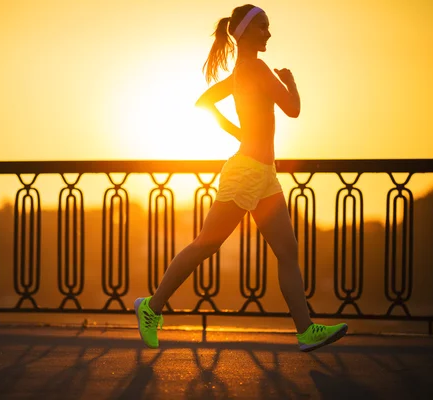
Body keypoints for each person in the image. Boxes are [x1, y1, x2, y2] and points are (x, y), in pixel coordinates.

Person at [134, 4, 347, 352]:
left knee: (287, 252)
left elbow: (204, 101)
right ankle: (151, 307)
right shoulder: (258, 68)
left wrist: (238, 131)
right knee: (206, 244)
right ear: (244, 32)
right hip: (246, 172)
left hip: (264, 175)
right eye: (262, 27)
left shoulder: (240, 72)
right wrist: (290, 83)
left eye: (268, 26)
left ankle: (306, 330)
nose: (268, 33)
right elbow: (292, 109)